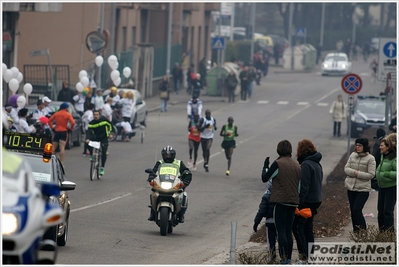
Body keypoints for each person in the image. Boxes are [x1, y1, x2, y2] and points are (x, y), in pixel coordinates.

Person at [261, 140, 301, 264]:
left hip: (280, 202)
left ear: (279, 150)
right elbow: (298, 186)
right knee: (288, 230)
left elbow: (265, 178)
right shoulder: (296, 165)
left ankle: (283, 258)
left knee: (281, 231)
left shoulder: (277, 164)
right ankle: (288, 257)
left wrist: (265, 167)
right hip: (293, 201)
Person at [292, 139, 323, 263]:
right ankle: (310, 256)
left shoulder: (306, 165)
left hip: (307, 201)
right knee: (308, 228)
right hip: (316, 200)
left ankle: (304, 256)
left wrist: (299, 204)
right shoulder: (316, 163)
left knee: (298, 227)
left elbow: (304, 187)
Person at [147, 146, 192, 223]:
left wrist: (185, 182)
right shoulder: (160, 163)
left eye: (169, 155)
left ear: (173, 155)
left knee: (184, 196)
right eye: (165, 155)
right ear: (162, 155)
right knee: (153, 194)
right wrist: (151, 178)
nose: (167, 157)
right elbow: (153, 172)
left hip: (175, 185)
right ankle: (152, 213)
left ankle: (181, 215)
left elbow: (187, 172)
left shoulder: (179, 163)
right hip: (161, 185)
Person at [344, 138, 376, 232]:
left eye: (360, 146)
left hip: (363, 189)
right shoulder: (353, 155)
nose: (357, 147)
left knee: (357, 210)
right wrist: (354, 172)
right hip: (351, 187)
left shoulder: (370, 158)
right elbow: (346, 168)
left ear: (364, 146)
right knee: (353, 212)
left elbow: (371, 174)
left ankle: (363, 231)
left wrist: (358, 174)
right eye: (356, 145)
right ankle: (356, 232)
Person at [376, 133, 397, 232]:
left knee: (387, 212)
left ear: (388, 147)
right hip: (382, 187)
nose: (380, 147)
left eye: (382, 145)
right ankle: (382, 233)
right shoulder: (382, 156)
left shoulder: (394, 159)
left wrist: (387, 174)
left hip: (391, 188)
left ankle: (389, 234)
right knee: (380, 212)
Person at [253, 180, 277, 263]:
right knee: (281, 239)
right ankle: (283, 255)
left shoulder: (266, 197)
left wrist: (256, 222)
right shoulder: (281, 197)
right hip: (280, 222)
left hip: (270, 222)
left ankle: (272, 256)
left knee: (271, 241)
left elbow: (261, 211)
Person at [86, 109, 114, 176]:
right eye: (94, 115)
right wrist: (88, 139)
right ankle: (92, 155)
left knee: (104, 152)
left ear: (99, 115)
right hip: (96, 138)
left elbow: (110, 125)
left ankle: (102, 168)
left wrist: (110, 133)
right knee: (87, 143)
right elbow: (89, 132)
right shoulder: (91, 123)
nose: (96, 116)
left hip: (104, 137)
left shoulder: (104, 120)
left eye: (97, 115)